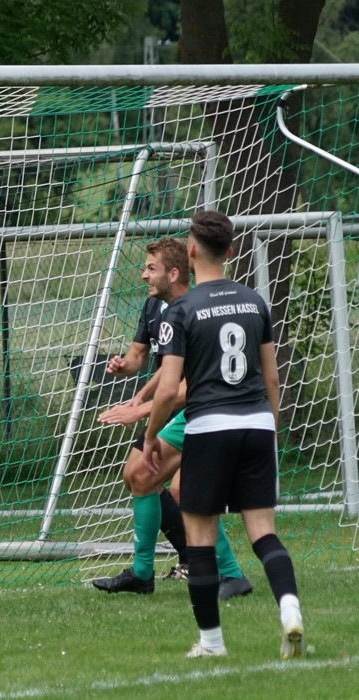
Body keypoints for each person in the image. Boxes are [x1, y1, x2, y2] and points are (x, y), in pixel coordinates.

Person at [144, 211, 303, 659]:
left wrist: (151, 436)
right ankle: (290, 609)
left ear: (192, 251)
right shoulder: (255, 301)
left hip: (210, 427)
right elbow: (271, 378)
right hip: (256, 423)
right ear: (230, 251)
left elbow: (169, 389)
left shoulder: (180, 310)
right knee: (264, 533)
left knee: (199, 539)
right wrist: (271, 426)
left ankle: (212, 643)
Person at [92, 239, 252, 600]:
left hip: (208, 407)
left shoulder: (193, 310)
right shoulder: (163, 308)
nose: (143, 275)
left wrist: (140, 410)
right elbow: (165, 368)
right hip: (194, 407)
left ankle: (222, 572)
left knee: (169, 484)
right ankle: (148, 572)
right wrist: (140, 392)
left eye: (151, 268)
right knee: (141, 476)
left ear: (175, 272)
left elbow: (189, 384)